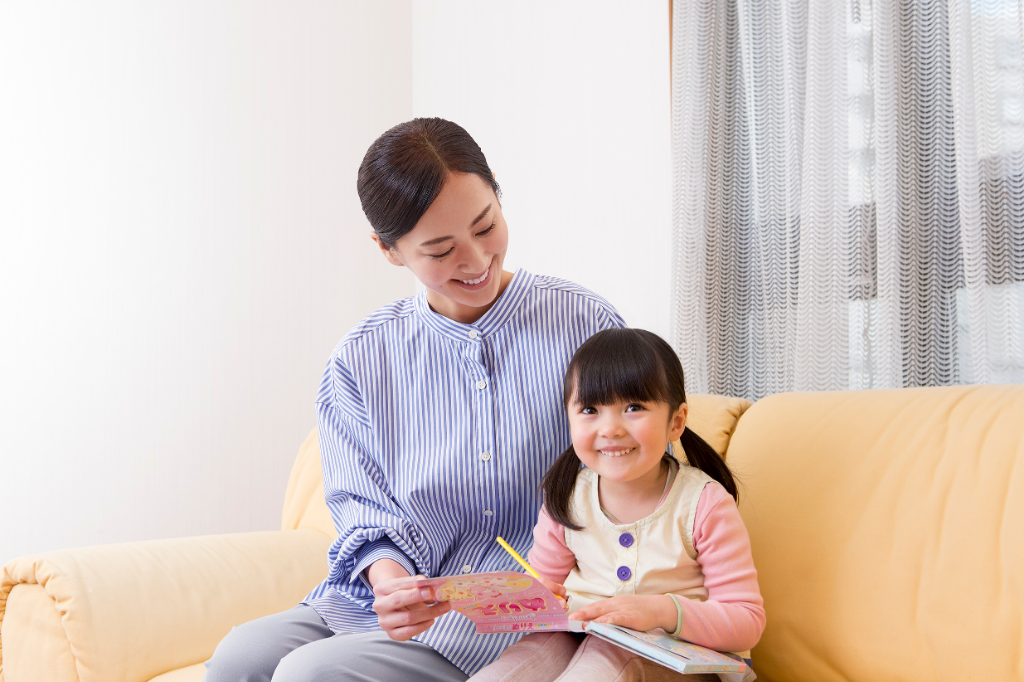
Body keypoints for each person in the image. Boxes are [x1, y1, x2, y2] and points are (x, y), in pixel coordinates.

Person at [203, 118, 625, 682]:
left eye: (486, 225)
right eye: (440, 250)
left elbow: (633, 472)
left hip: (517, 609)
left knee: (310, 675)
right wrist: (389, 578)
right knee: (238, 659)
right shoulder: (361, 358)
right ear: (388, 250)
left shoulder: (584, 324)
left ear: (497, 190)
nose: (475, 260)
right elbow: (360, 501)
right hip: (390, 597)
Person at [467, 328, 766, 682]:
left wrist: (661, 611)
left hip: (683, 660)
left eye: (633, 407)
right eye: (590, 409)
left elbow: (747, 621)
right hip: (582, 636)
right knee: (517, 665)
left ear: (677, 421)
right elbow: (542, 589)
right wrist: (532, 599)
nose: (610, 428)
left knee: (604, 662)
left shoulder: (704, 504)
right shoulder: (566, 496)